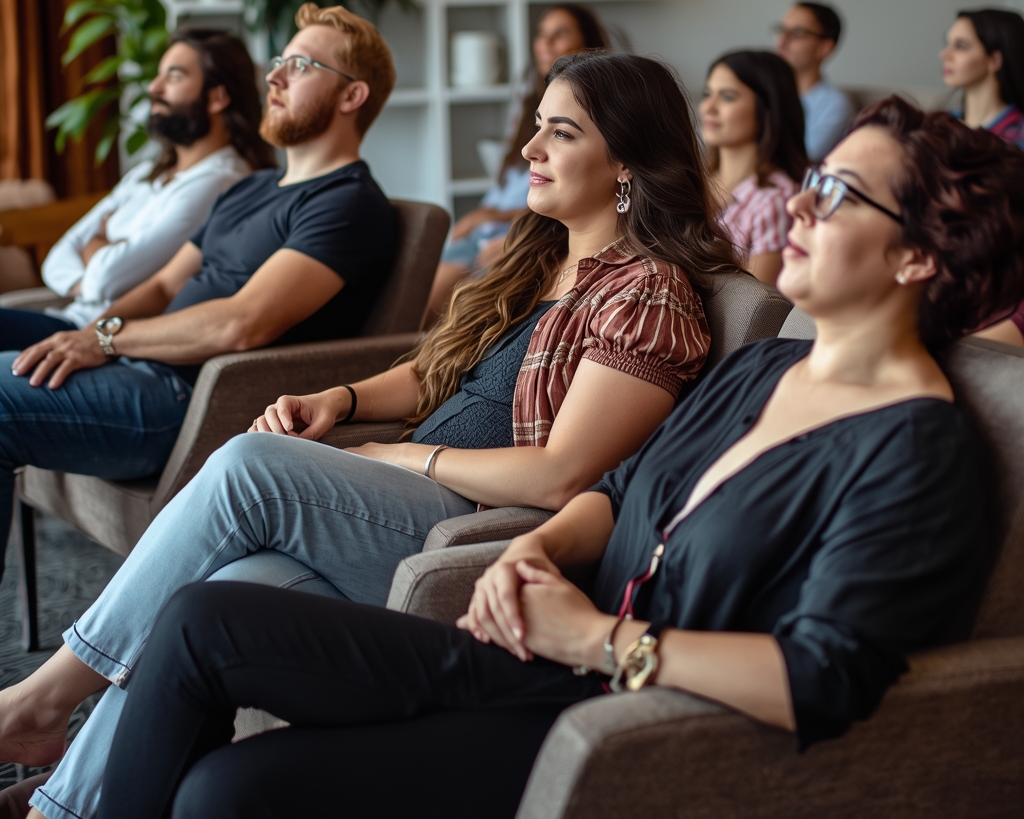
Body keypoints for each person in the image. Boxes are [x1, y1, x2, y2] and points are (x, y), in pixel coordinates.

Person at [44, 97, 1024, 819]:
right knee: (204, 616)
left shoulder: (915, 447)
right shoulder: (767, 365)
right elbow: (614, 487)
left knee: (225, 791)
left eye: (839, 195)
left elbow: (824, 676)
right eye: (810, 183)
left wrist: (597, 640)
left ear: (919, 255)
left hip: (620, 702)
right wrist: (538, 551)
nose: (799, 212)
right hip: (541, 644)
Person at [0, 51, 740, 819]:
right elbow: (430, 374)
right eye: (537, 127)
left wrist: (396, 451)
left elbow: (563, 476)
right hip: (408, 493)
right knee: (212, 596)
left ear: (625, 163)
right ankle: (66, 806)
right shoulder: (540, 261)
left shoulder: (649, 291)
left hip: (470, 525)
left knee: (252, 466)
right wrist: (341, 400)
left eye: (561, 132)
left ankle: (41, 698)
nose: (530, 149)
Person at [0, 3, 400, 581]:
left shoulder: (348, 203)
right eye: (279, 61)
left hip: (179, 396)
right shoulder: (253, 187)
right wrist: (91, 334)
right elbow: (164, 283)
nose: (275, 76)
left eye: (302, 64)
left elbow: (242, 322)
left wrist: (107, 340)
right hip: (135, 356)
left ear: (351, 96)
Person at [0, 30, 273, 351]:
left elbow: (108, 278)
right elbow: (56, 260)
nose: (154, 88)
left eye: (174, 76)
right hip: (69, 322)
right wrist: (102, 261)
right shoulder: (145, 174)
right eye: (158, 76)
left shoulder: (221, 183)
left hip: (103, 340)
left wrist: (94, 247)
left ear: (217, 97)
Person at [426, 4, 609, 323]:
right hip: (495, 226)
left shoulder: (601, 109)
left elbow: (576, 197)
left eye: (560, 34)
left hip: (525, 229)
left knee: (444, 306)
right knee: (423, 303)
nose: (530, 150)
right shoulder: (527, 104)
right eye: (541, 35)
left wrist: (508, 225)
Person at [700, 49, 807, 285]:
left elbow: (757, 308)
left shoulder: (775, 200)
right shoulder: (691, 177)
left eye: (727, 97)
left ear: (767, 108)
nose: (708, 107)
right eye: (707, 94)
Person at [774, 0, 853, 161]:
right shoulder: (762, 91)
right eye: (781, 30)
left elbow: (802, 160)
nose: (781, 41)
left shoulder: (834, 104)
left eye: (797, 33)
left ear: (825, 47)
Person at [941, 7, 1024, 148]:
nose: (944, 55)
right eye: (948, 44)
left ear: (994, 60)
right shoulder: (939, 125)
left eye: (961, 46)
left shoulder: (1018, 138)